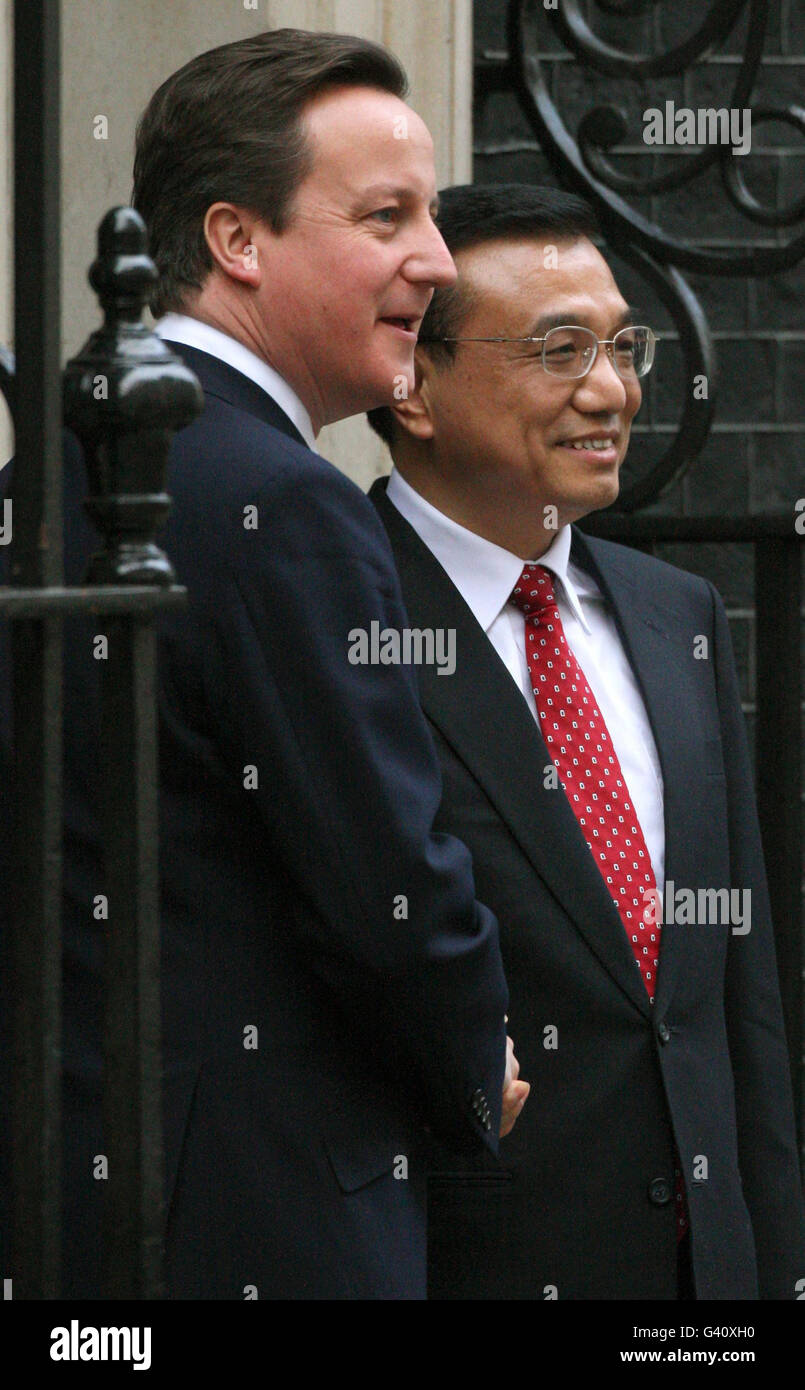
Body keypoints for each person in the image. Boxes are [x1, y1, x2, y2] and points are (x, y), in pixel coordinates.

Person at [0, 32, 529, 1301]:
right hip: (251, 1213)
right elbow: (385, 879)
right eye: (387, 216)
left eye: (436, 219)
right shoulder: (277, 501)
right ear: (238, 241)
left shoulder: (54, 470)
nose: (439, 262)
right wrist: (479, 1059)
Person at [367, 181, 805, 1300]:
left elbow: (731, 999)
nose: (612, 391)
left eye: (623, 345)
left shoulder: (677, 614)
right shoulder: (336, 613)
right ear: (412, 382)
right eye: (560, 349)